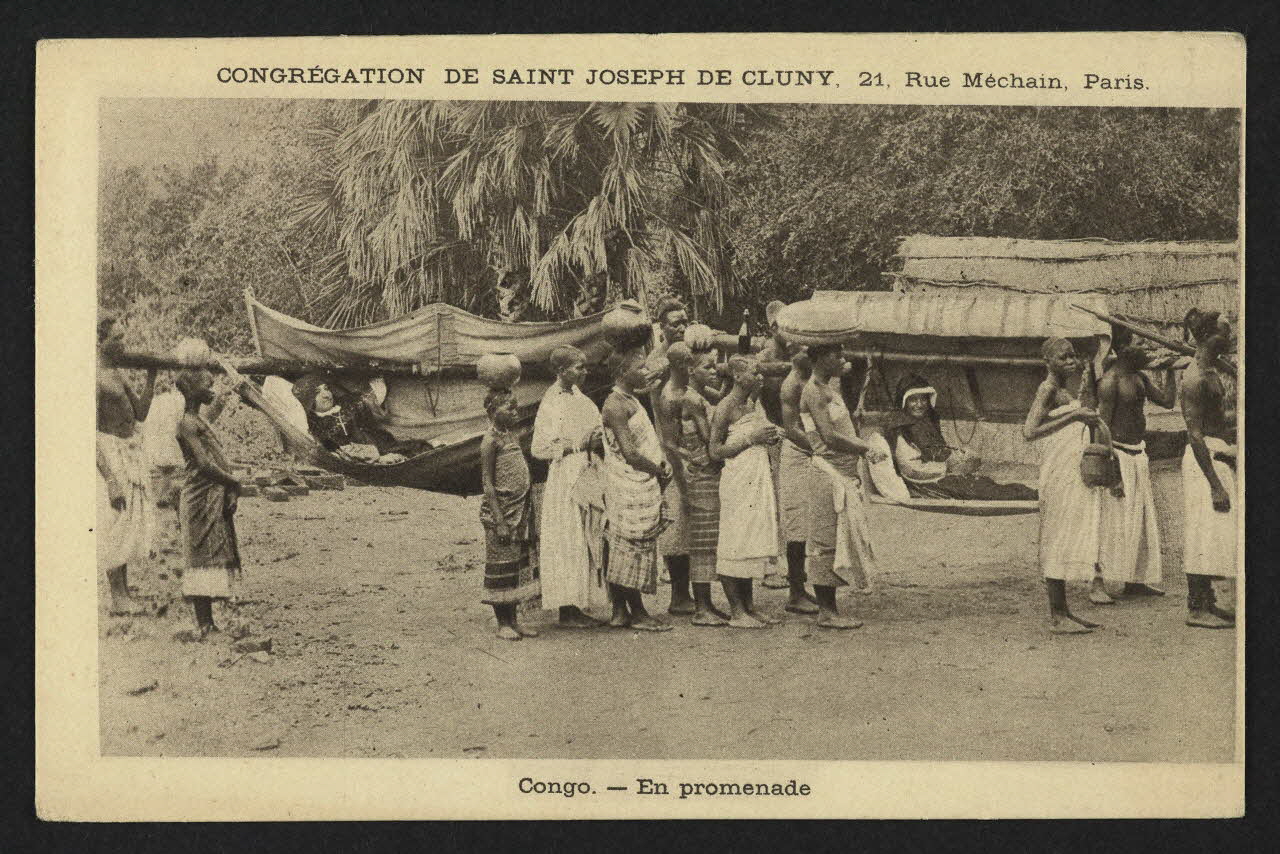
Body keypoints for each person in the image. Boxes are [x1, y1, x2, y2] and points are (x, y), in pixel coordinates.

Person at [1023, 337, 1111, 634]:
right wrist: (1075, 414)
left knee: (1067, 534)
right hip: (1057, 471)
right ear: (1047, 362)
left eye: (1072, 356)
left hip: (1071, 469)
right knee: (1057, 536)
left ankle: (1064, 611)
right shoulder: (1047, 389)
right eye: (1062, 358)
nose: (1070, 362)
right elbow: (1030, 431)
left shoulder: (1065, 389)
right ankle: (1057, 615)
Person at [801, 342, 883, 629]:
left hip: (842, 472)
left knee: (837, 539)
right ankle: (826, 611)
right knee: (825, 541)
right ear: (821, 358)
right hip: (827, 473)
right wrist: (864, 448)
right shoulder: (813, 391)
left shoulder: (829, 390)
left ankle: (830, 607)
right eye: (837, 355)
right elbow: (829, 437)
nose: (842, 360)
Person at [531, 345, 608, 628]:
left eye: (585, 367)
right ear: (561, 371)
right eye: (578, 367)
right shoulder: (552, 401)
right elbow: (539, 448)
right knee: (567, 538)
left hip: (586, 472)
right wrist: (578, 445)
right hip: (565, 476)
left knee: (585, 536)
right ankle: (567, 609)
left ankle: (578, 603)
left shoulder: (580, 397)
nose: (584, 372)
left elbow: (594, 427)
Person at [600, 347, 674, 631]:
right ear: (622, 373)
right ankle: (637, 612)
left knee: (626, 546)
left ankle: (621, 610)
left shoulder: (629, 399)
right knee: (628, 546)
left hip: (637, 482)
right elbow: (630, 453)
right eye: (639, 368)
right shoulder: (615, 405)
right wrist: (656, 469)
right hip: (627, 483)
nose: (644, 372)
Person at [1097, 341, 1178, 599]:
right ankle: (1100, 582)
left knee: (1141, 521)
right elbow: (1101, 429)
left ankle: (1136, 581)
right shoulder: (1110, 382)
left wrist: (1171, 372)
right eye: (1140, 347)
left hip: (1138, 453)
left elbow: (1167, 401)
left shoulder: (1139, 376)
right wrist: (1113, 473)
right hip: (1119, 455)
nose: (1146, 351)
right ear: (1126, 352)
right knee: (1116, 522)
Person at [710, 356, 783, 628]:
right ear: (738, 377)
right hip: (737, 480)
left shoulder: (752, 404)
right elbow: (715, 450)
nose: (760, 377)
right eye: (755, 373)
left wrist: (770, 435)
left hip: (756, 477)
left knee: (752, 541)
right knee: (735, 541)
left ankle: (749, 606)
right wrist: (750, 439)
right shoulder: (725, 407)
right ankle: (736, 611)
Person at [886, 373, 1038, 502]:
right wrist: (950, 468)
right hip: (927, 484)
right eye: (913, 400)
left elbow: (936, 449)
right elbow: (912, 469)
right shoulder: (901, 430)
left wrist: (958, 455)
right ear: (904, 402)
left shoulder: (925, 420)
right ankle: (1033, 496)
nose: (919, 405)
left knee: (987, 483)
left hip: (941, 475)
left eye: (923, 399)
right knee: (984, 490)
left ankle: (1033, 493)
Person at [174, 369, 245, 637]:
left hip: (211, 495)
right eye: (207, 383)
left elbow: (215, 456)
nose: (212, 385)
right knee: (200, 554)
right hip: (198, 497)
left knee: (214, 549)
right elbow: (204, 464)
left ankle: (210, 621)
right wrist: (233, 482)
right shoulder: (186, 423)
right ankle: (204, 622)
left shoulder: (199, 420)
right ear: (193, 391)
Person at [96, 311, 158, 615]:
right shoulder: (92, 376)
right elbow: (86, 433)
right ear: (99, 340)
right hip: (108, 453)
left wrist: (152, 374)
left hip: (128, 449)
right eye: (117, 338)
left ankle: (125, 593)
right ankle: (118, 597)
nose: (122, 343)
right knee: (115, 521)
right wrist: (108, 478)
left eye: (123, 337)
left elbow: (141, 412)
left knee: (130, 520)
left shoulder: (118, 373)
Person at [1179, 309, 1237, 629]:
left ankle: (1208, 602)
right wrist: (1214, 483)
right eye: (1222, 335)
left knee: (1214, 532)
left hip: (1216, 452)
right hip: (1203, 459)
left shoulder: (1212, 369)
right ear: (1206, 337)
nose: (1227, 340)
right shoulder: (1194, 378)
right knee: (1201, 531)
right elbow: (1195, 433)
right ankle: (1196, 608)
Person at [479, 385, 541, 641]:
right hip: (502, 514)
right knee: (500, 566)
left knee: (516, 566)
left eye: (516, 407)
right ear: (493, 411)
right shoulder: (489, 441)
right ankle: (502, 621)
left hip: (521, 511)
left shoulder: (511, 436)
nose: (515, 412)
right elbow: (488, 483)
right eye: (509, 408)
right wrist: (499, 520)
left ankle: (515, 620)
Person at [682, 348, 732, 626]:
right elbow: (711, 440)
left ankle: (707, 604)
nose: (714, 372)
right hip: (702, 474)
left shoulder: (701, 396)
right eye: (708, 368)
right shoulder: (691, 399)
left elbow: (724, 401)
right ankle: (702, 607)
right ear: (691, 370)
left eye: (715, 367)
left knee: (709, 539)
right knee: (702, 541)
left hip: (708, 475)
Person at [776, 348, 820, 614]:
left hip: (815, 447)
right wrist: (819, 446)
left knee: (814, 521)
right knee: (796, 524)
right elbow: (791, 429)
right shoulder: (791, 384)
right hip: (798, 452)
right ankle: (795, 591)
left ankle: (804, 586)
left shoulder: (816, 378)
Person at [292, 374, 426, 459]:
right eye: (317, 392)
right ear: (307, 399)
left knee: (420, 448)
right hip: (367, 458)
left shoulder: (349, 402)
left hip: (385, 444)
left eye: (326, 389)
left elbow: (374, 395)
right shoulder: (315, 424)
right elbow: (335, 452)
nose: (326, 395)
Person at [654, 342, 695, 615]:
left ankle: (686, 593)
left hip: (690, 463)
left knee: (689, 532)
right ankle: (679, 596)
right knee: (677, 530)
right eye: (687, 363)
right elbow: (669, 443)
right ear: (679, 366)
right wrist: (683, 480)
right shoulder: (669, 396)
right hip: (675, 466)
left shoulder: (688, 390)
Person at [757, 300, 795, 590]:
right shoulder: (768, 356)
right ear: (773, 327)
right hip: (774, 433)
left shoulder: (794, 353)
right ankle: (773, 562)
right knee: (774, 498)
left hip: (791, 434)